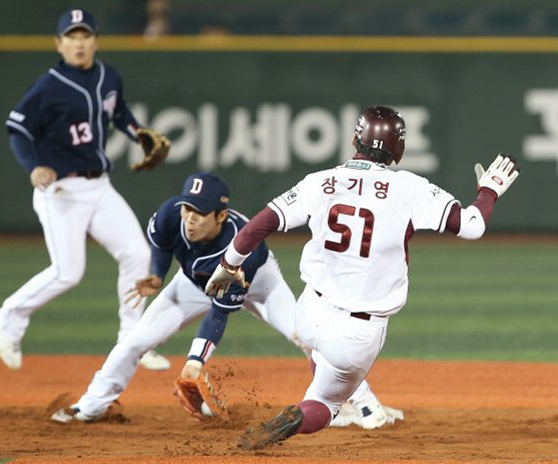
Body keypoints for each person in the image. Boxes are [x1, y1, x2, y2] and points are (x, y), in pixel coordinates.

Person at [205, 106, 521, 449]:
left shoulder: (320, 182)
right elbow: (472, 226)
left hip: (309, 311)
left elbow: (262, 223)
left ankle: (344, 393)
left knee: (317, 348)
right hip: (357, 333)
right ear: (398, 149)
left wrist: (229, 263)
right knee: (323, 406)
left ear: (356, 139)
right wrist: (488, 191)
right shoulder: (408, 188)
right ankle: (300, 414)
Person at [50, 172, 400, 429]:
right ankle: (91, 407)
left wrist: (195, 363)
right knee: (137, 340)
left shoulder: (241, 248)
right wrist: (157, 275)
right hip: (190, 283)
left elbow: (218, 314)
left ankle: (361, 403)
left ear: (220, 216)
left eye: (199, 213)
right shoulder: (172, 214)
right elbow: (162, 243)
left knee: (305, 335)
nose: (189, 217)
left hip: (260, 281)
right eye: (187, 208)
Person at [0, 8, 171, 372]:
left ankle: (132, 340)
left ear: (96, 41)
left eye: (85, 35)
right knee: (68, 272)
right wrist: (34, 166)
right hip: (60, 189)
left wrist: (138, 132)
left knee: (138, 254)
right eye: (71, 36)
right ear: (59, 44)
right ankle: (9, 315)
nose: (79, 42)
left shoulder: (108, 76)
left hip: (99, 185)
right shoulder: (48, 86)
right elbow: (18, 131)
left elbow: (117, 110)